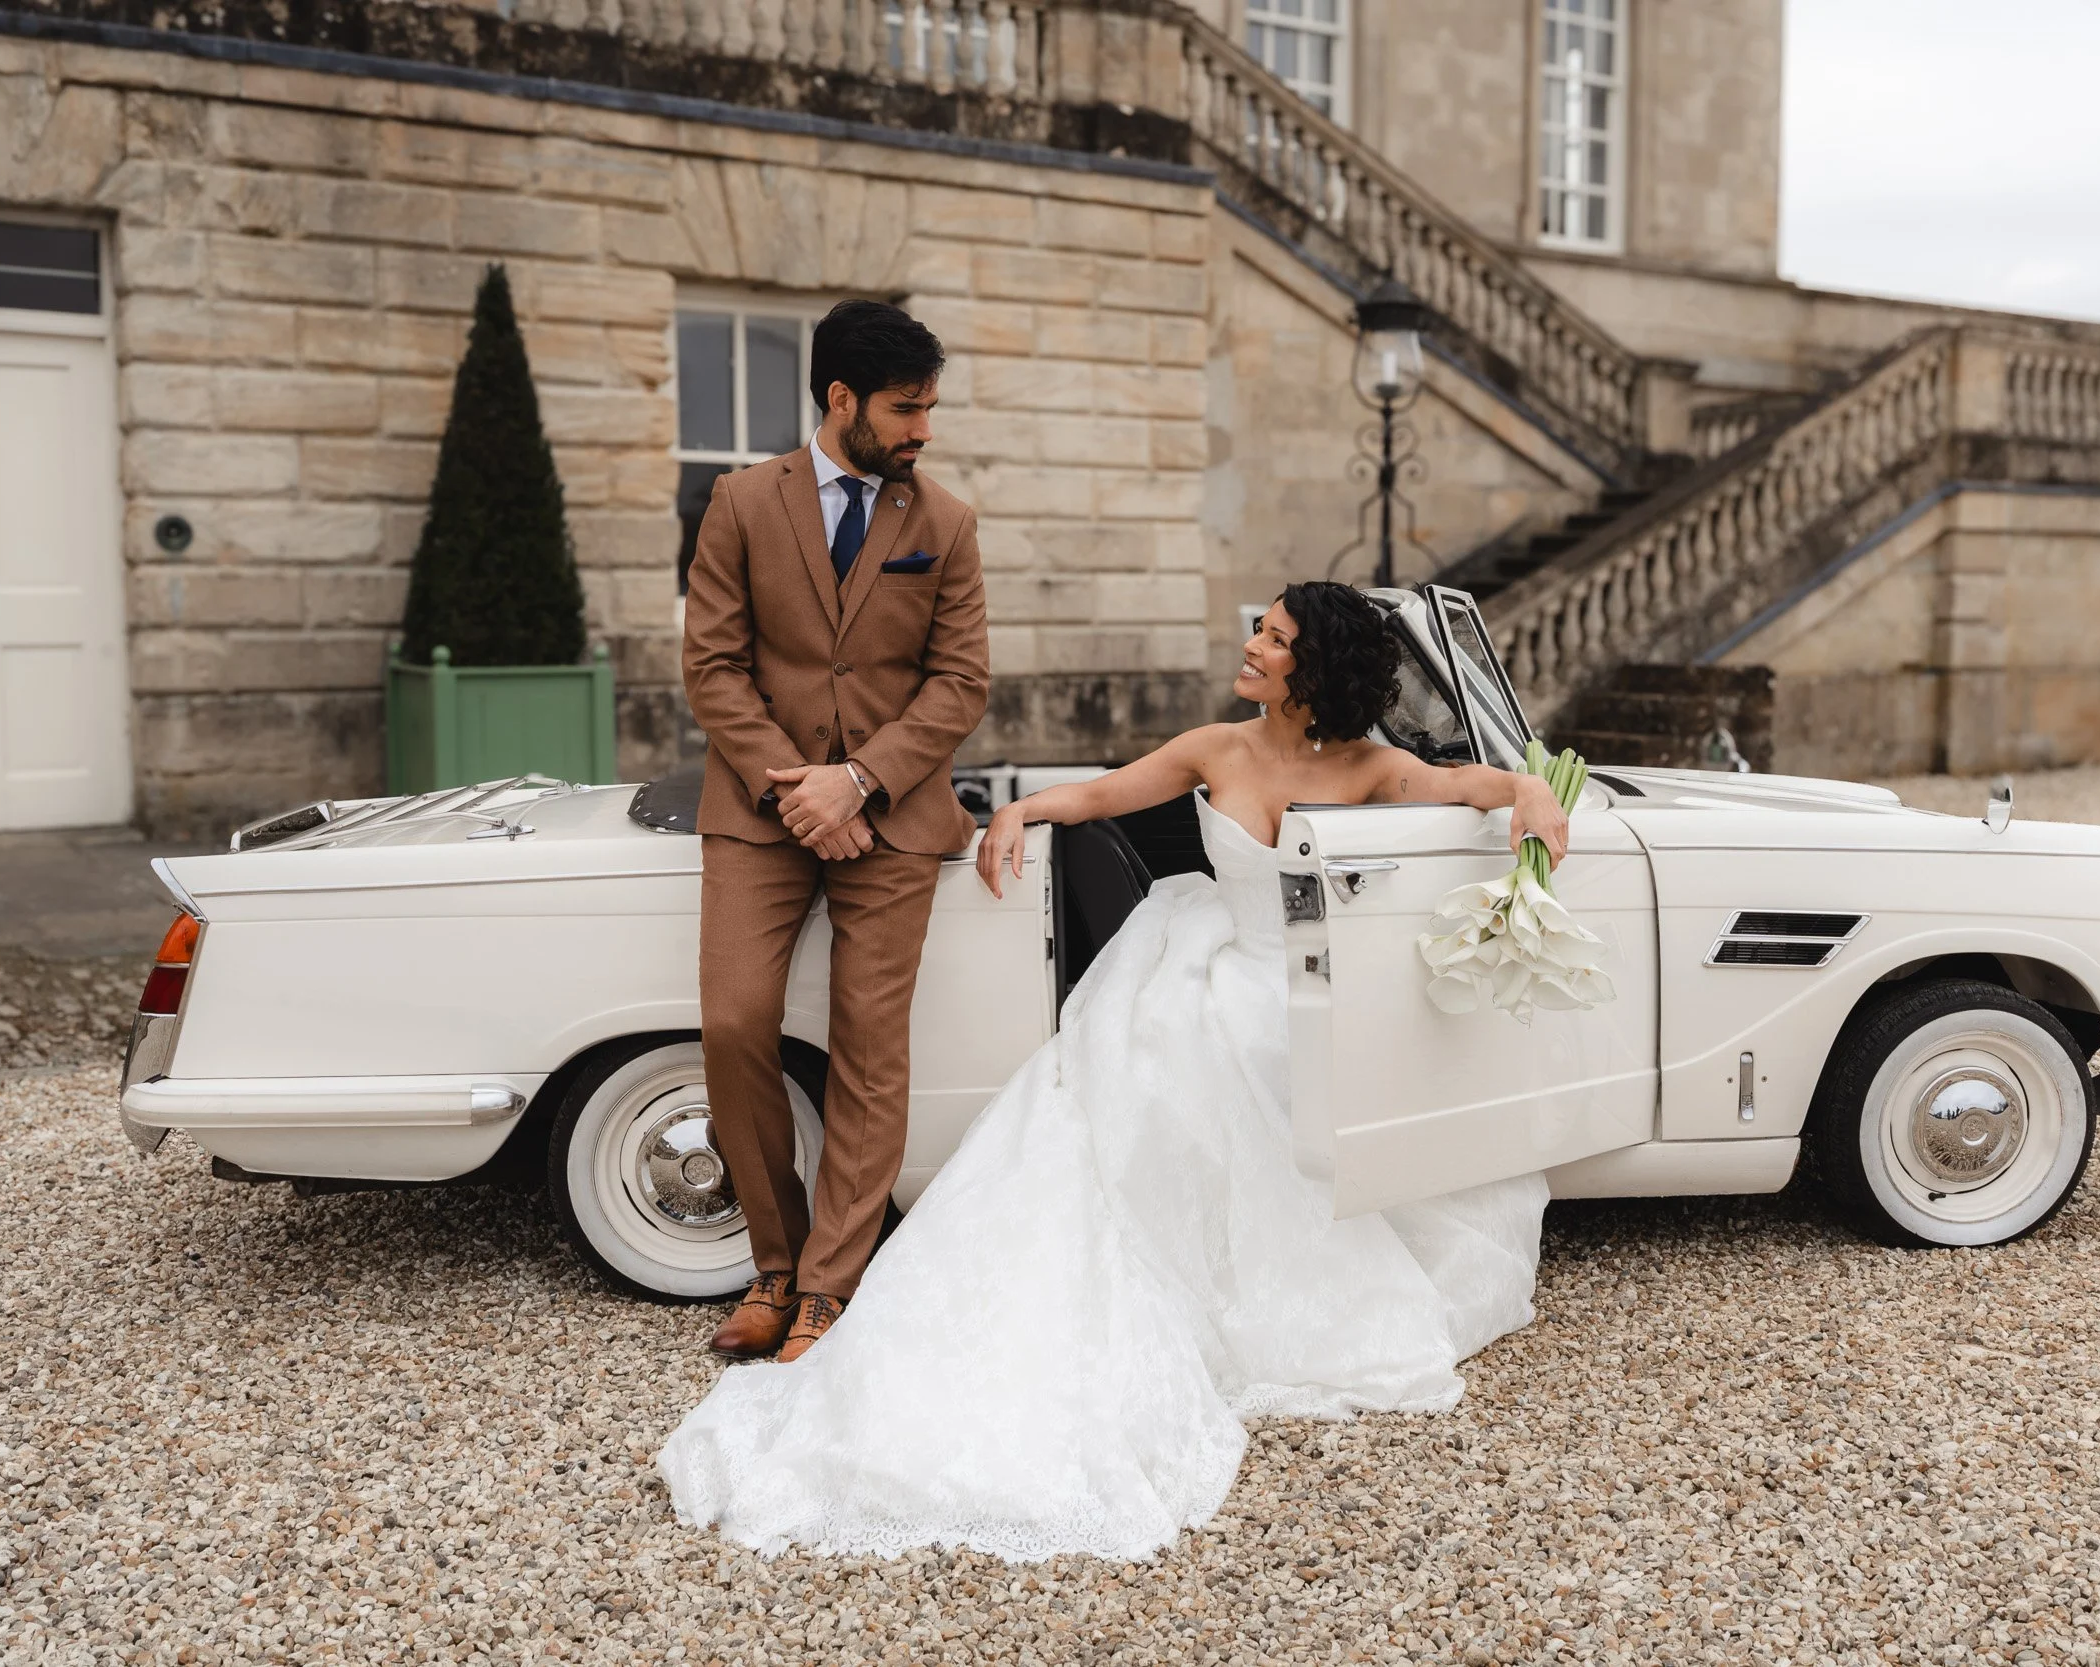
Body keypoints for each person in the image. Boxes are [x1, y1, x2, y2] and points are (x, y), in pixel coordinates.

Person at [659, 581, 1569, 1562]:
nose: (1252, 644)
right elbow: (1102, 793)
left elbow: (1466, 788)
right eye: (1260, 629)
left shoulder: (1375, 767)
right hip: (1211, 966)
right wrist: (1019, 812)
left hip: (1303, 985)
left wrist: (1530, 793)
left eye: (1273, 638)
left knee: (1254, 1067)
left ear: (1313, 667)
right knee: (1159, 1072)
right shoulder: (1215, 746)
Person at [680, 300, 988, 1365]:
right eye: (906, 409)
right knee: (734, 1021)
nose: (923, 431)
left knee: (868, 1042)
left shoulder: (946, 522)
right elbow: (712, 668)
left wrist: (857, 782)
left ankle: (828, 1285)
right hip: (759, 811)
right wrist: (798, 794)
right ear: (841, 397)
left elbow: (960, 683)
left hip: (893, 816)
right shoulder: (739, 503)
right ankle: (772, 1263)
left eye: (930, 408)